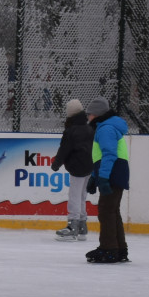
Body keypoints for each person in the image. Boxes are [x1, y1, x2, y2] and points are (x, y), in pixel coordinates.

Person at [84, 96, 130, 263]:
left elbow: (109, 155)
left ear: (96, 114)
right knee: (112, 211)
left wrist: (103, 178)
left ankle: (109, 249)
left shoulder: (105, 129)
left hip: (113, 172)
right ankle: (119, 249)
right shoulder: (107, 127)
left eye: (89, 114)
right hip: (116, 172)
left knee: (106, 211)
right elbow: (103, 156)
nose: (88, 117)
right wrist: (94, 177)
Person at [50, 99, 94, 242]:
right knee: (81, 195)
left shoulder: (71, 130)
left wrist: (56, 164)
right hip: (88, 166)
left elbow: (64, 150)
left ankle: (72, 226)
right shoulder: (89, 128)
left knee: (74, 195)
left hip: (77, 167)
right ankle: (82, 225)